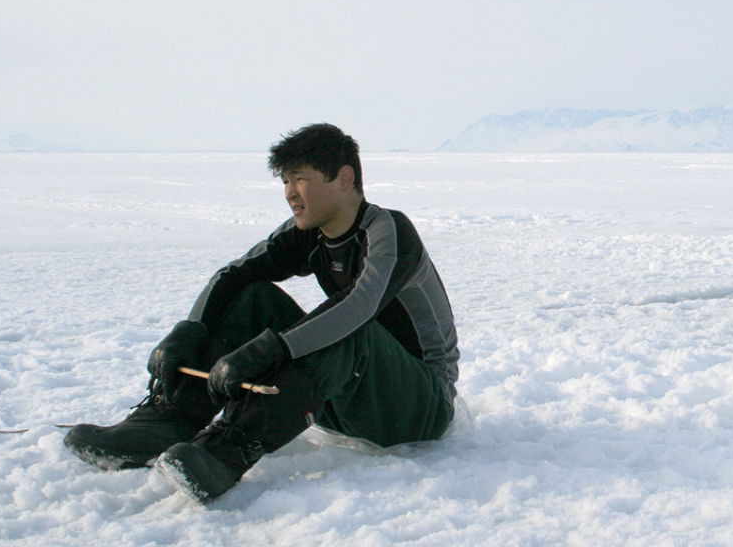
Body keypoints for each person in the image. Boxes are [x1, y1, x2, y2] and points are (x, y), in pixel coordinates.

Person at [65, 123, 458, 504]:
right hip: (340, 397)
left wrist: (275, 350)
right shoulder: (308, 232)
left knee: (348, 327)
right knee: (254, 297)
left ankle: (227, 451)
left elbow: (360, 305)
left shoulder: (388, 229)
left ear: (343, 178)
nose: (289, 193)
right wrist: (191, 330)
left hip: (419, 408)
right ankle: (166, 423)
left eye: (299, 179)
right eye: (285, 181)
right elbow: (233, 277)